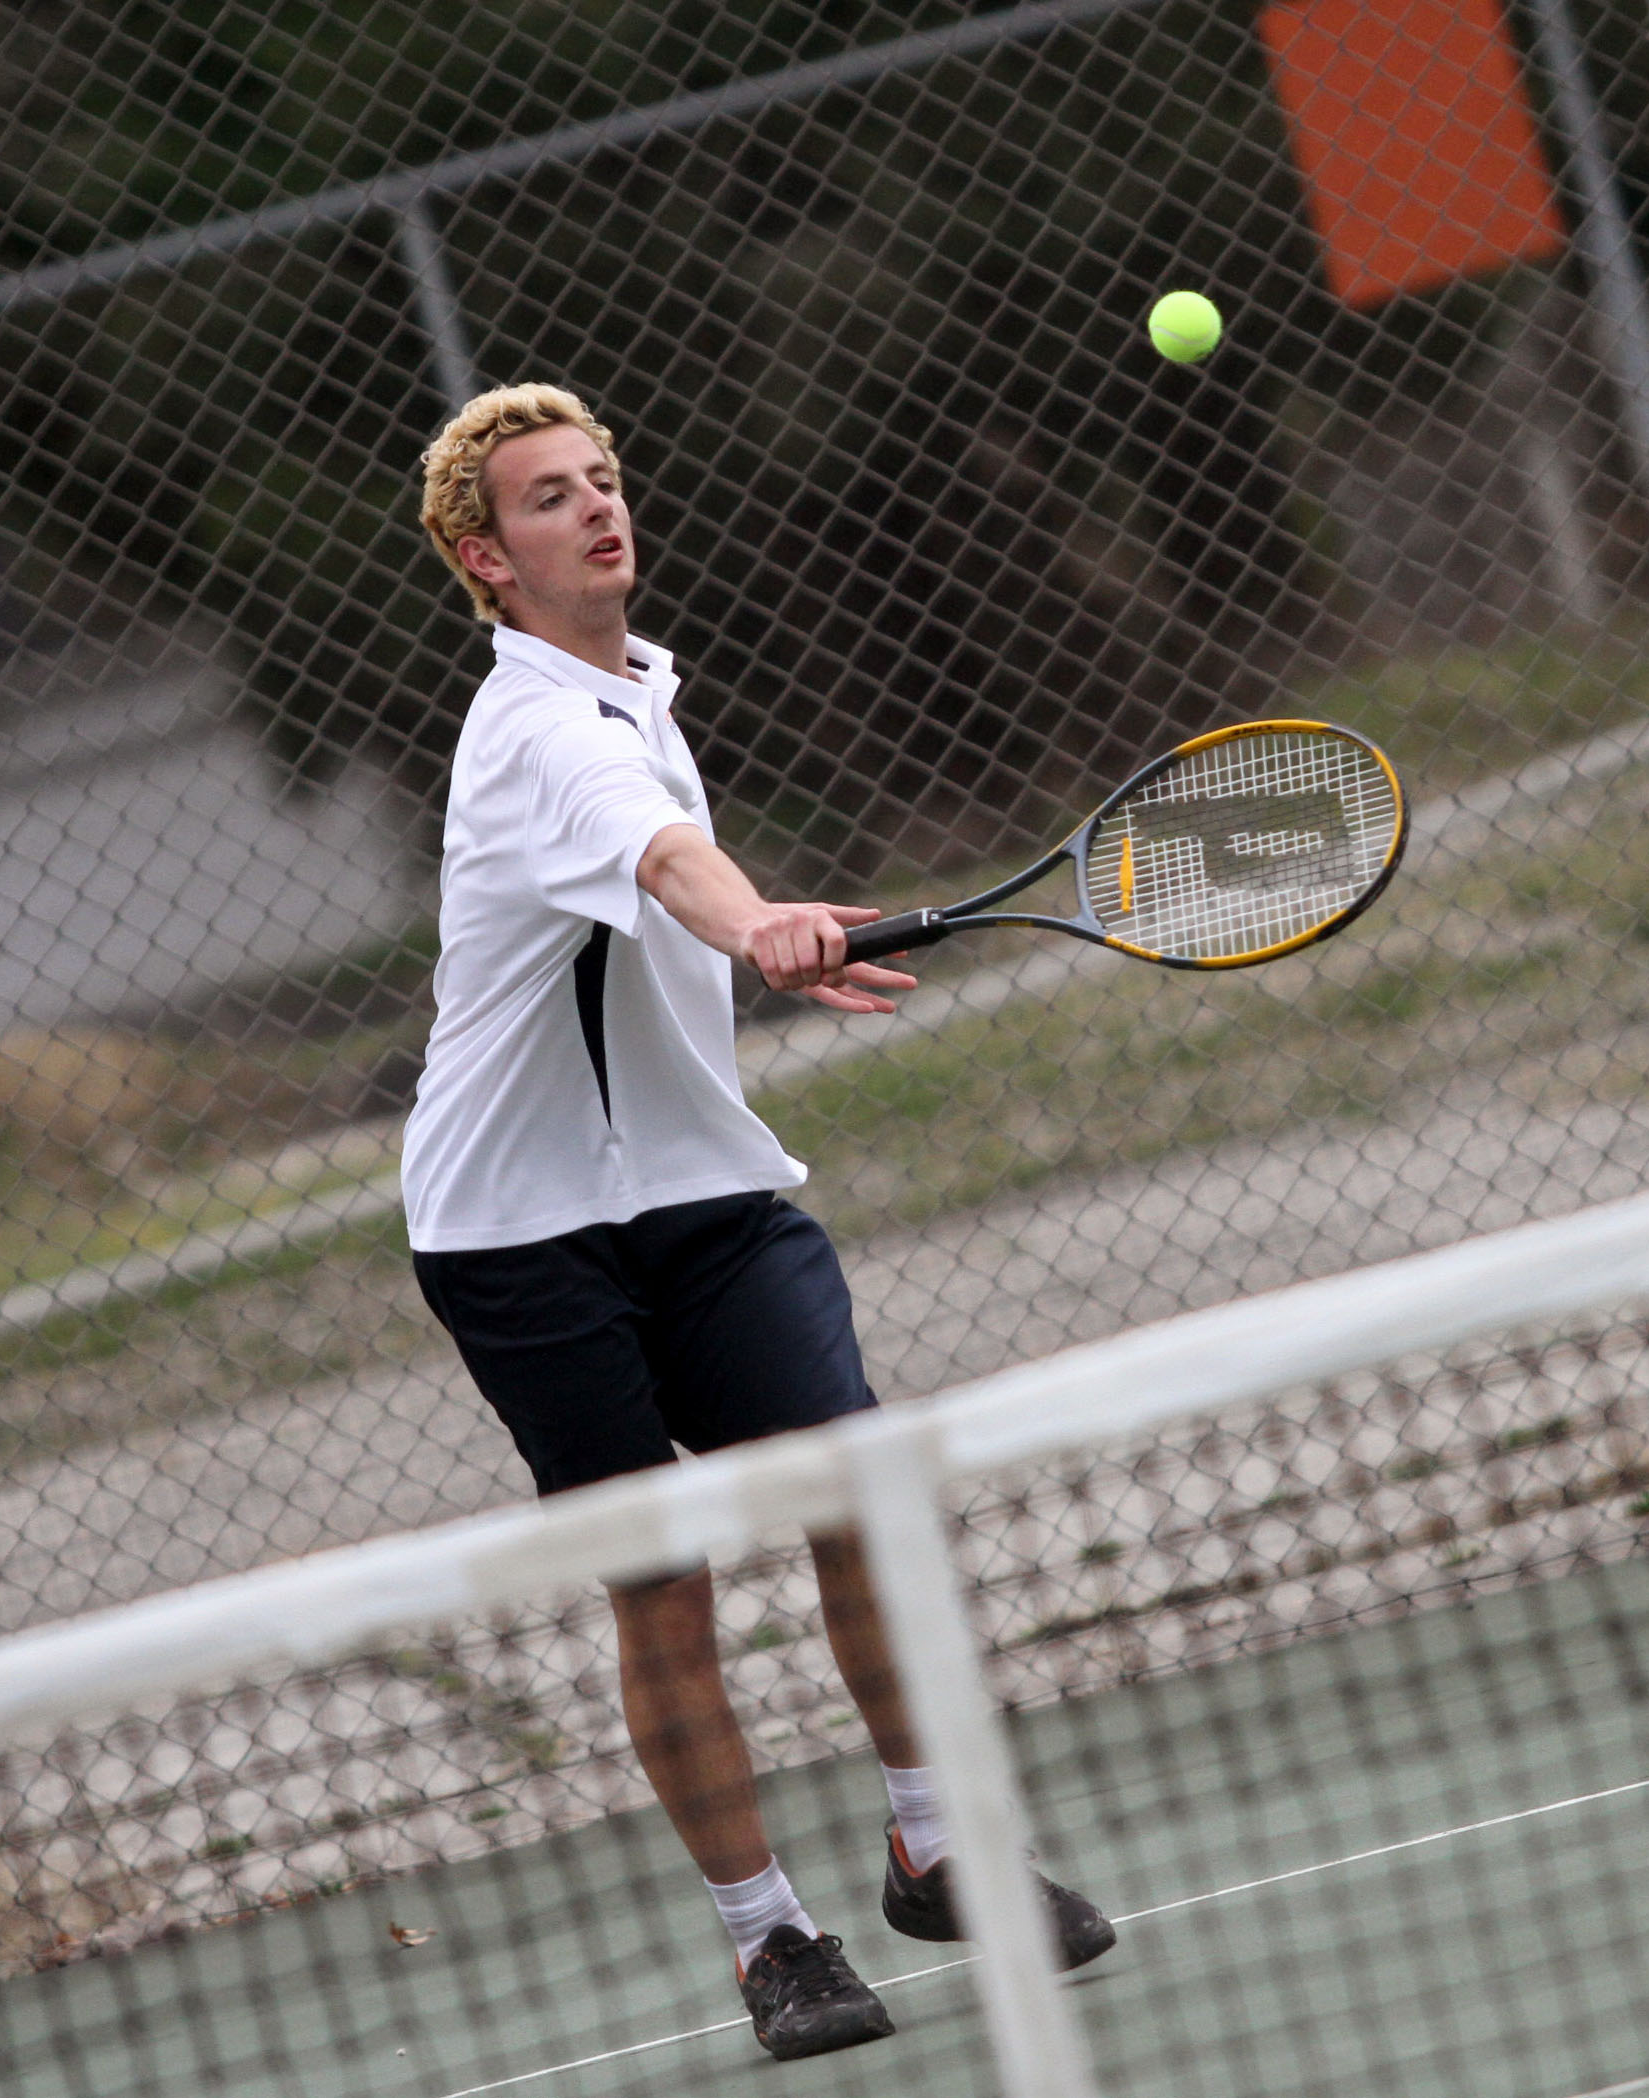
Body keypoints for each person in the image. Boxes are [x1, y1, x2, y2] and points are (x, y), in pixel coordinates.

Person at [403, 383, 1114, 2062]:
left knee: (861, 1489)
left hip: (706, 1193)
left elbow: (667, 864)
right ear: (483, 557)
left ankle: (933, 1846)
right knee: (661, 1578)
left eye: (604, 479)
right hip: (519, 1232)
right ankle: (767, 1937)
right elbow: (661, 860)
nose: (597, 507)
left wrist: (760, 930)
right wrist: (754, 920)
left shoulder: (639, 692)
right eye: (549, 496)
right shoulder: (537, 731)